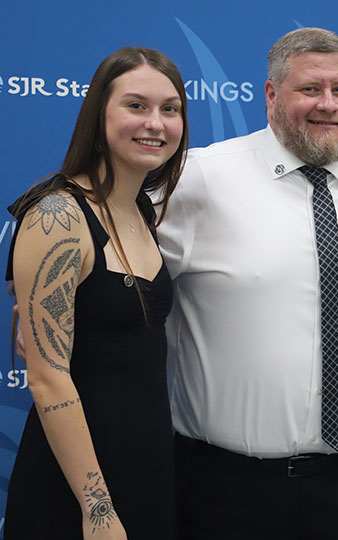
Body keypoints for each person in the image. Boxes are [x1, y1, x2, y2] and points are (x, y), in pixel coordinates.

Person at [155, 27, 338, 539]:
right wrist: (45, 290)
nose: (328, 104)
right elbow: (107, 238)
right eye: (309, 89)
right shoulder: (200, 178)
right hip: (224, 491)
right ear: (270, 95)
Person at [4, 47, 188, 539]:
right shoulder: (57, 215)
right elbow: (47, 380)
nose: (156, 123)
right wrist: (97, 510)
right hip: (77, 491)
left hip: (146, 472)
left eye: (170, 109)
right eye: (136, 105)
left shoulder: (143, 212)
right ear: (98, 114)